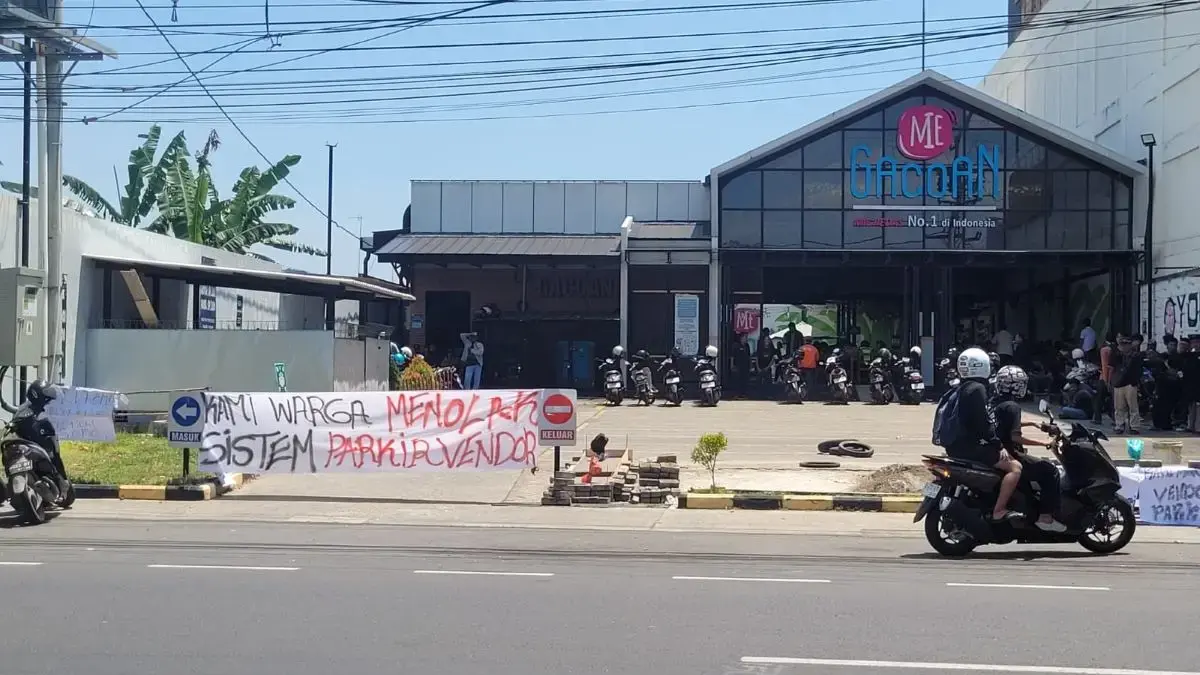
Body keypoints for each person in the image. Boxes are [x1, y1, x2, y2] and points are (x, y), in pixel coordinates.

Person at [942, 347, 1024, 522]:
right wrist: (998, 445)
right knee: (1015, 467)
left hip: (955, 446)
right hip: (970, 447)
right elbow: (983, 424)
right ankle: (999, 510)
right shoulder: (978, 388)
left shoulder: (961, 387)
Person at [991, 366, 1064, 532]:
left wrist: (1033, 423)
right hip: (1011, 452)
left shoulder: (995, 402)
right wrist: (1044, 443)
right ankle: (1045, 517)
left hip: (997, 450)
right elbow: (1015, 437)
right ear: (1017, 386)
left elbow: (1003, 424)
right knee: (1049, 471)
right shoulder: (1013, 407)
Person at [14, 380, 70, 495]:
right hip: (24, 444)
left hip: (35, 445)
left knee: (54, 455)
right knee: (54, 455)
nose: (48, 399)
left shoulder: (32, 409)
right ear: (37, 394)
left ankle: (58, 479)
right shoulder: (26, 409)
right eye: (46, 395)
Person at [1110, 335, 1142, 434]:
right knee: (1119, 407)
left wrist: (1135, 381)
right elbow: (1111, 364)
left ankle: (1134, 426)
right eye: (1122, 344)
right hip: (1118, 383)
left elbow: (1138, 370)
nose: (1124, 347)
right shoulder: (1117, 356)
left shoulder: (1135, 356)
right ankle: (1119, 425)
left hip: (1130, 384)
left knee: (1133, 406)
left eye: (1126, 344)